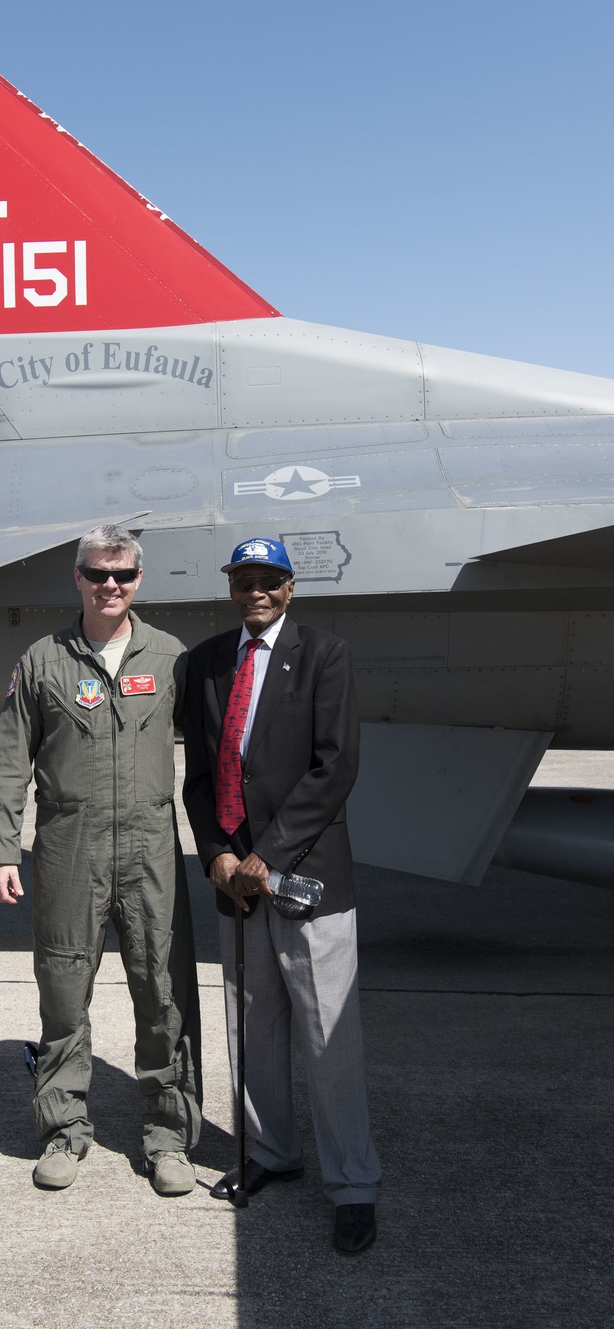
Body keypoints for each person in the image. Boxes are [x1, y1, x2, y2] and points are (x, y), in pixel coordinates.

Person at [0, 524, 202, 1194]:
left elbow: (216, 751)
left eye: (123, 575)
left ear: (139, 580)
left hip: (151, 847)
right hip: (70, 847)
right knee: (64, 990)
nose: (111, 586)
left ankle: (169, 1139)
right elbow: (11, 761)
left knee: (164, 992)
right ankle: (63, 1131)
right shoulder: (43, 661)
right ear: (76, 577)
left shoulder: (169, 657)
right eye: (98, 574)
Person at [182, 537, 381, 1253]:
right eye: (244, 580)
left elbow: (335, 768)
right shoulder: (204, 663)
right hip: (236, 885)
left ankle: (353, 1184)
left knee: (330, 1036)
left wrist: (266, 856)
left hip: (306, 878)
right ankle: (270, 1152)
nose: (256, 592)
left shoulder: (325, 655)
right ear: (232, 588)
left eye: (269, 580)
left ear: (290, 588)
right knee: (251, 1029)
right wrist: (217, 855)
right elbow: (200, 776)